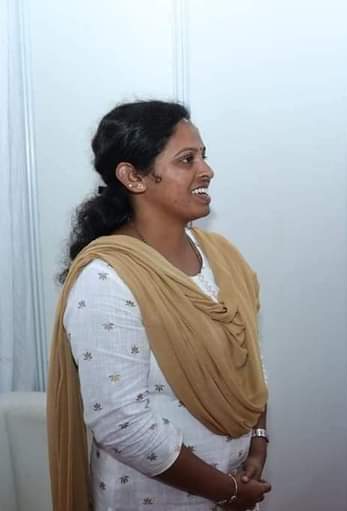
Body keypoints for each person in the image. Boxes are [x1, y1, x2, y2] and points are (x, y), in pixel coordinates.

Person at [47, 100, 272, 510]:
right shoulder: (107, 279)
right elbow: (121, 423)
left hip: (238, 482)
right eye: (187, 159)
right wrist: (226, 490)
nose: (207, 170)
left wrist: (257, 442)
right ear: (133, 177)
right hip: (156, 497)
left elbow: (249, 363)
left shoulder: (223, 258)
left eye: (203, 156)